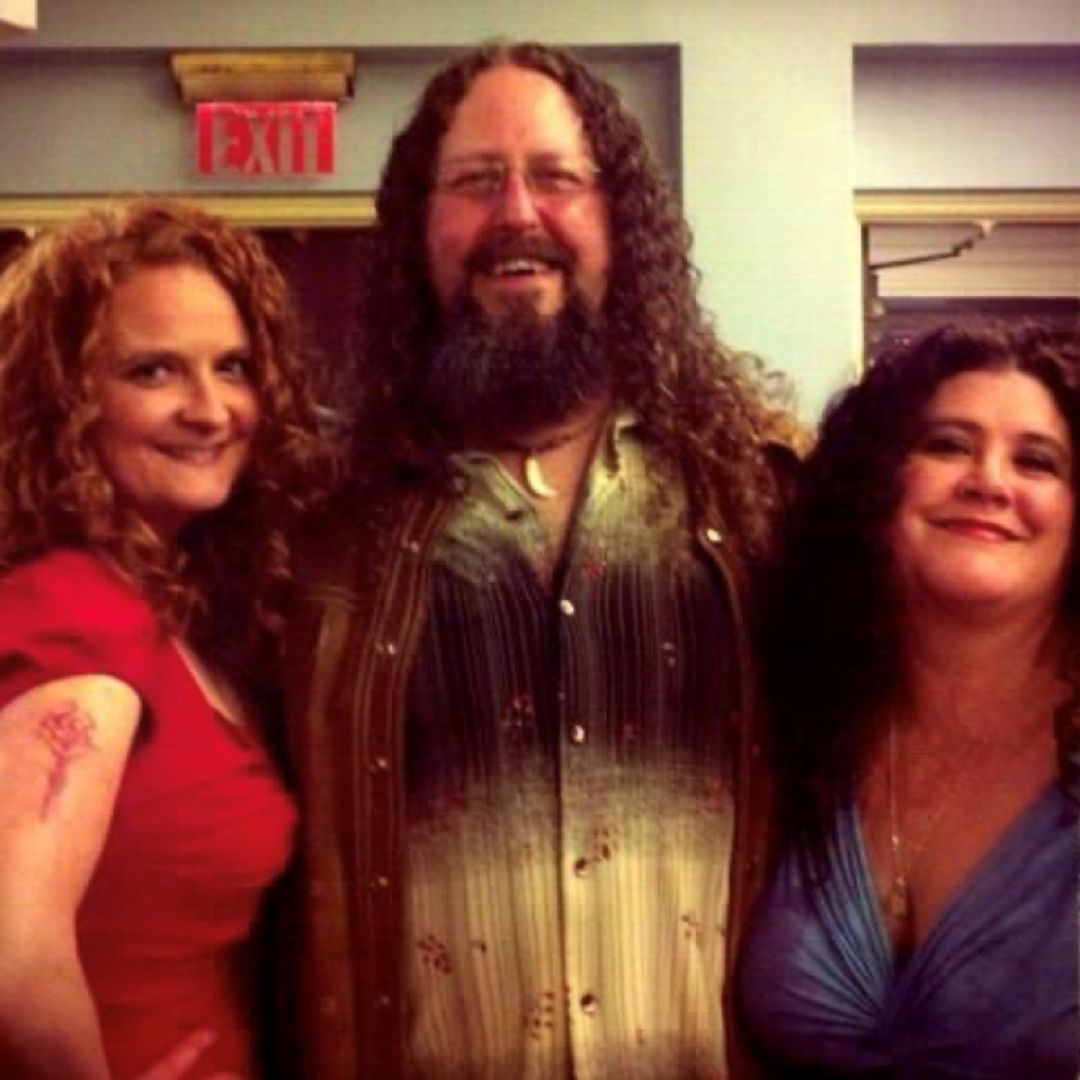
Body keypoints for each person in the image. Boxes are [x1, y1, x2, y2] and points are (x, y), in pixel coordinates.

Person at [284, 40, 783, 1079]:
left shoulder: (759, 497)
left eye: (556, 177)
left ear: (619, 222)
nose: (518, 212)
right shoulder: (323, 526)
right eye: (476, 181)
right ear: (420, 229)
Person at [0, 199, 330, 1079]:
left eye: (233, 367)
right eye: (152, 372)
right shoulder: (74, 616)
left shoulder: (159, 605)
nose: (210, 408)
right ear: (66, 403)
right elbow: (13, 961)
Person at [738, 324, 1080, 1077]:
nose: (989, 480)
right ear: (876, 485)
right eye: (949, 445)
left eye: (1037, 461)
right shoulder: (799, 729)